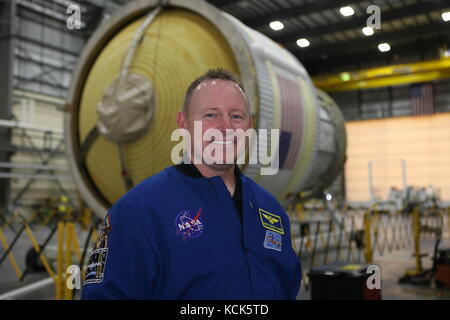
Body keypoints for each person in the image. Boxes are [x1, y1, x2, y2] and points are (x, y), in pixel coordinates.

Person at [81, 68, 301, 300]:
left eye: (236, 116)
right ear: (183, 123)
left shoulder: (270, 210)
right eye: (211, 115)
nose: (226, 128)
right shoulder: (138, 212)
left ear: (249, 126)